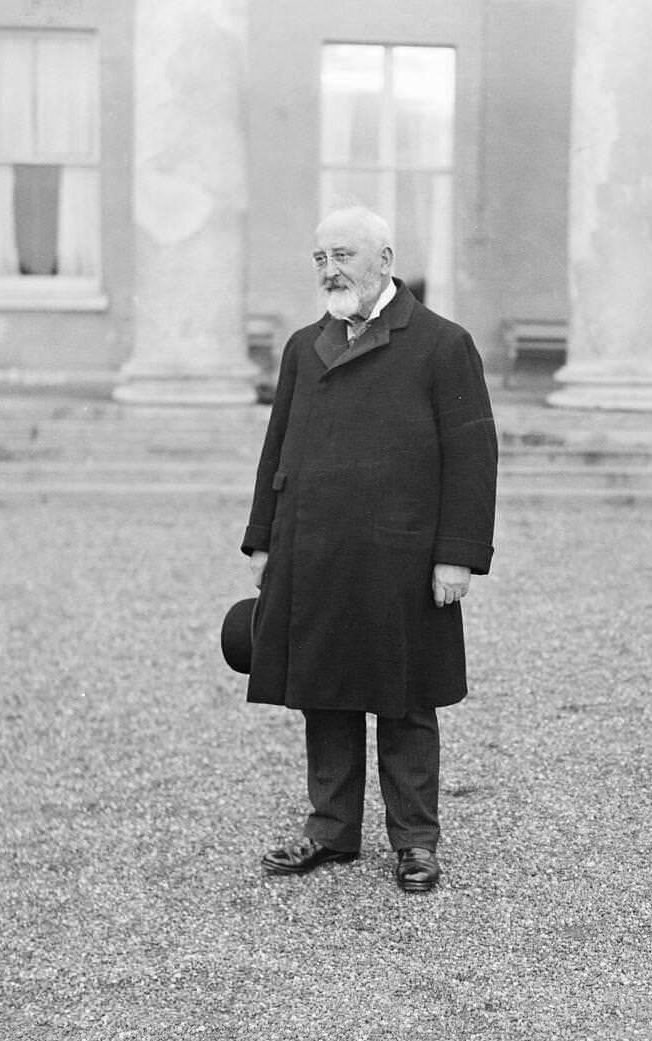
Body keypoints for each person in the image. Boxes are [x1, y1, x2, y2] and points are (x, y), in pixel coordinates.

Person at [241, 206, 498, 893]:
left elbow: (473, 454)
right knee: (324, 690)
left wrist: (458, 555)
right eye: (321, 257)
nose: (330, 269)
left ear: (385, 259)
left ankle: (416, 841)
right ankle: (330, 829)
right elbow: (279, 448)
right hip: (315, 550)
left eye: (344, 255)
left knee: (406, 696)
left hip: (402, 557)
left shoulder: (443, 344)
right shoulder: (305, 346)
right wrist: (265, 540)